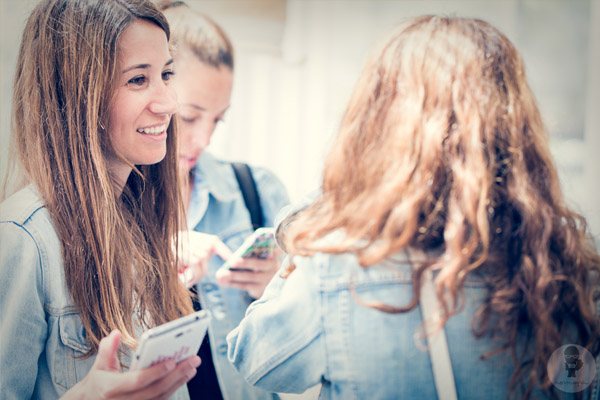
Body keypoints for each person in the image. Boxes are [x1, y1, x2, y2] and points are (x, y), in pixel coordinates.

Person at [227, 15, 600, 399]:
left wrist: (334, 201)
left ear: (381, 125)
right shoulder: (571, 265)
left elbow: (256, 359)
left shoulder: (339, 264)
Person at [0, 0, 200, 398]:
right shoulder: (23, 239)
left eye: (166, 74)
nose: (168, 104)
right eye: (137, 80)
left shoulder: (142, 222)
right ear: (76, 96)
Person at [158, 2, 289, 399]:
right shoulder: (104, 210)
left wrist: (281, 286)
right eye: (188, 117)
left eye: (218, 119)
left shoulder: (258, 190)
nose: (205, 140)